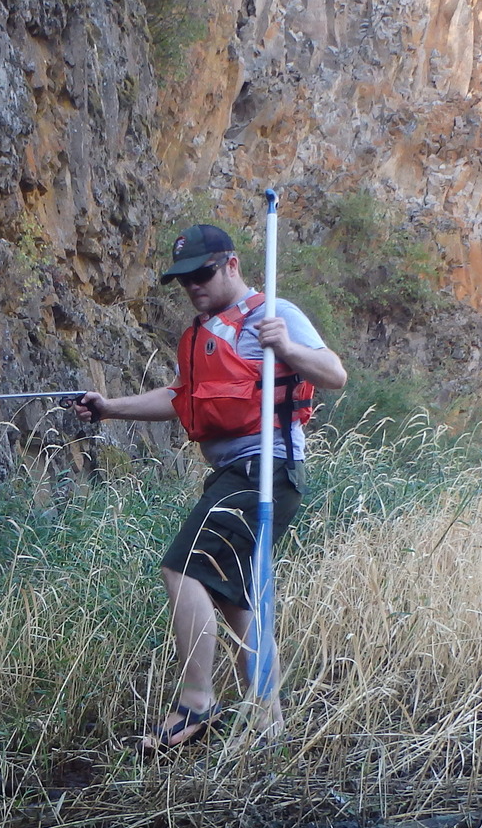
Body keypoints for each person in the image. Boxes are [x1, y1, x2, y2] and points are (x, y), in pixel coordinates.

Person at [73, 221, 347, 749]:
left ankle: (196, 705)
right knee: (232, 595)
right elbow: (178, 397)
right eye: (184, 280)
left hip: (266, 470)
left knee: (181, 569)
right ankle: (268, 720)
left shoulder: (274, 315)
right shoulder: (200, 335)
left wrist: (287, 346)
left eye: (203, 274)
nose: (194, 286)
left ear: (231, 265)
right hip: (231, 474)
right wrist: (109, 409)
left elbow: (334, 374)